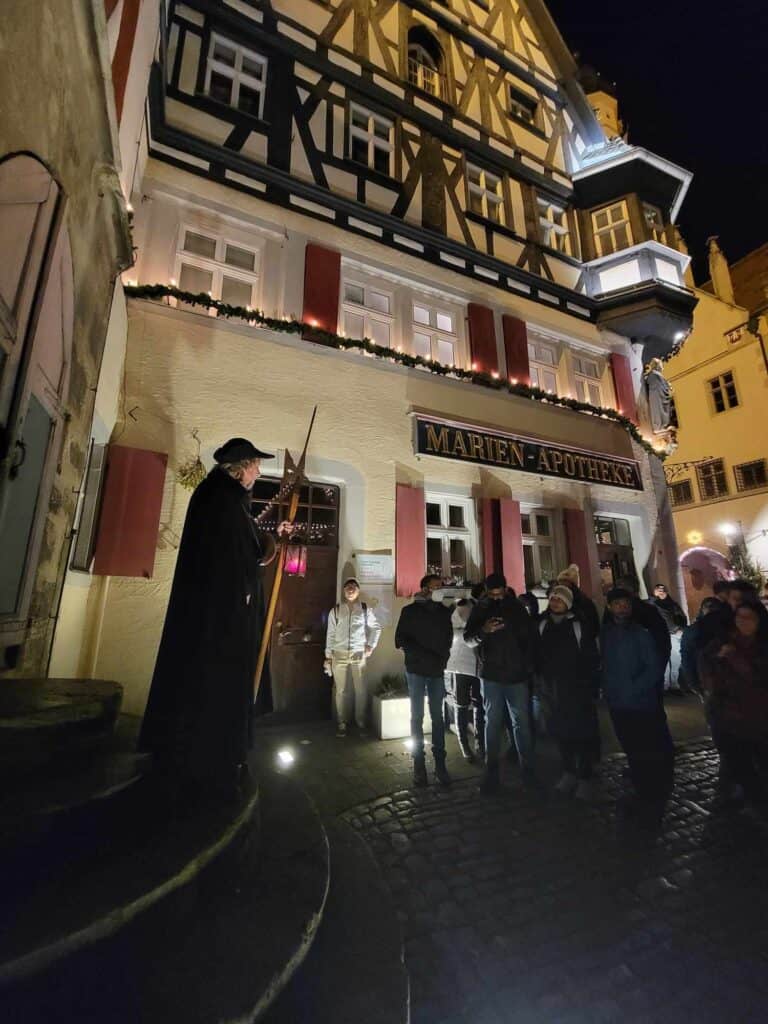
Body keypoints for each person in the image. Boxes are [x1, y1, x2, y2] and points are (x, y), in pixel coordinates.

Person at [139, 437, 288, 798]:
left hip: (226, 612)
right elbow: (229, 558)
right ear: (239, 467)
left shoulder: (228, 499)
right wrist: (247, 584)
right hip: (219, 618)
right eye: (255, 465)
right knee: (215, 683)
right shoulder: (219, 500)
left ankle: (220, 753)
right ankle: (213, 758)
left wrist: (269, 541)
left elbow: (246, 547)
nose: (258, 471)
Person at [601, 587, 674, 820]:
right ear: (609, 607)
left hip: (641, 702)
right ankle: (641, 787)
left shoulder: (641, 633)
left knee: (646, 746)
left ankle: (652, 792)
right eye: (617, 604)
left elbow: (652, 668)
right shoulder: (605, 634)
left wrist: (634, 689)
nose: (622, 607)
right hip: (618, 702)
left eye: (625, 603)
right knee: (631, 746)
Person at [464, 573, 539, 794]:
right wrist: (484, 631)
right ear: (487, 591)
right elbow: (468, 639)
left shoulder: (516, 608)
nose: (496, 598)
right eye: (492, 594)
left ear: (506, 589)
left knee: (521, 723)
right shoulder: (480, 608)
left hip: (516, 675)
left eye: (500, 593)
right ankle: (491, 772)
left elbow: (531, 639)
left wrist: (527, 666)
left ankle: (528, 772)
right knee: (492, 724)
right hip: (491, 676)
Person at [700, 601, 768, 807]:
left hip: (761, 718)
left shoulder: (762, 646)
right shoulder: (721, 643)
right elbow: (707, 674)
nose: (743, 622)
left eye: (750, 618)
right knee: (740, 766)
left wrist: (735, 658)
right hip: (730, 718)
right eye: (740, 617)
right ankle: (755, 802)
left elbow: (759, 678)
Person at [536, 586, 600, 801]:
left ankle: (584, 777)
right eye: (553, 599)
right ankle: (568, 772)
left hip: (576, 686)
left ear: (568, 603)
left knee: (581, 732)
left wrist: (590, 682)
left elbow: (590, 654)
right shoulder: (541, 623)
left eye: (559, 600)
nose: (555, 602)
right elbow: (535, 652)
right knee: (560, 732)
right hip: (551, 688)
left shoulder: (578, 624)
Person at [395, 575, 454, 787]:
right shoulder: (410, 611)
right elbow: (400, 639)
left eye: (441, 587)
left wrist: (443, 658)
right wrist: (424, 655)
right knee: (417, 716)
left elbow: (449, 638)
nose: (439, 590)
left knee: (438, 718)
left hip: (437, 671)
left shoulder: (443, 612)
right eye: (435, 587)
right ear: (424, 589)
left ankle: (440, 764)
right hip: (417, 670)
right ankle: (419, 764)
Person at [325, 577, 382, 737]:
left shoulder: (365, 609)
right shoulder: (335, 610)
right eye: (348, 587)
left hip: (358, 653)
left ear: (358, 590)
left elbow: (376, 628)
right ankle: (341, 722)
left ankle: (360, 721)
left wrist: (370, 645)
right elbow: (330, 634)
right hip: (339, 653)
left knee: (361, 689)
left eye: (353, 587)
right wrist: (328, 656)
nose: (350, 589)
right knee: (340, 691)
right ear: (344, 591)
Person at [445, 597, 483, 762]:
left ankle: (479, 744)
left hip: (476, 666)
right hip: (459, 666)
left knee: (477, 705)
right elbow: (450, 634)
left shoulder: (477, 610)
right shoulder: (453, 612)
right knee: (462, 705)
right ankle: (466, 747)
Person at [647, 583, 687, 690]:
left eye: (662, 589)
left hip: (674, 634)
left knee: (675, 660)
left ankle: (674, 684)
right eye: (658, 589)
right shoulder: (651, 604)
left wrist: (681, 629)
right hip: (660, 635)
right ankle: (665, 685)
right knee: (663, 660)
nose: (661, 591)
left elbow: (682, 618)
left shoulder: (673, 604)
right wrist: (653, 597)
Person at [680, 597, 722, 694]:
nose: (711, 609)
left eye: (713, 606)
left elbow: (686, 658)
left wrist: (693, 683)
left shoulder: (693, 629)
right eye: (708, 606)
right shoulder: (693, 630)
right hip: (706, 679)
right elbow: (687, 658)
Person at [555, 564, 600, 638]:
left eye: (565, 583)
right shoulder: (557, 601)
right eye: (560, 584)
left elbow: (593, 629)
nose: (562, 588)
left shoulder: (585, 604)